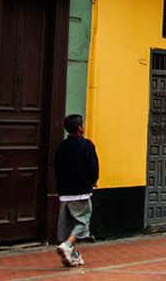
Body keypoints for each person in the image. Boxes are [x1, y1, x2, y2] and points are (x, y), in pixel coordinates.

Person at [53, 114, 99, 268]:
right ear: (80, 128)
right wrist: (93, 181)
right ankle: (67, 245)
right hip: (80, 191)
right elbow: (92, 166)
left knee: (68, 224)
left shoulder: (62, 146)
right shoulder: (86, 145)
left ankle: (73, 255)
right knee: (82, 221)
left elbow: (56, 165)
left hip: (64, 192)